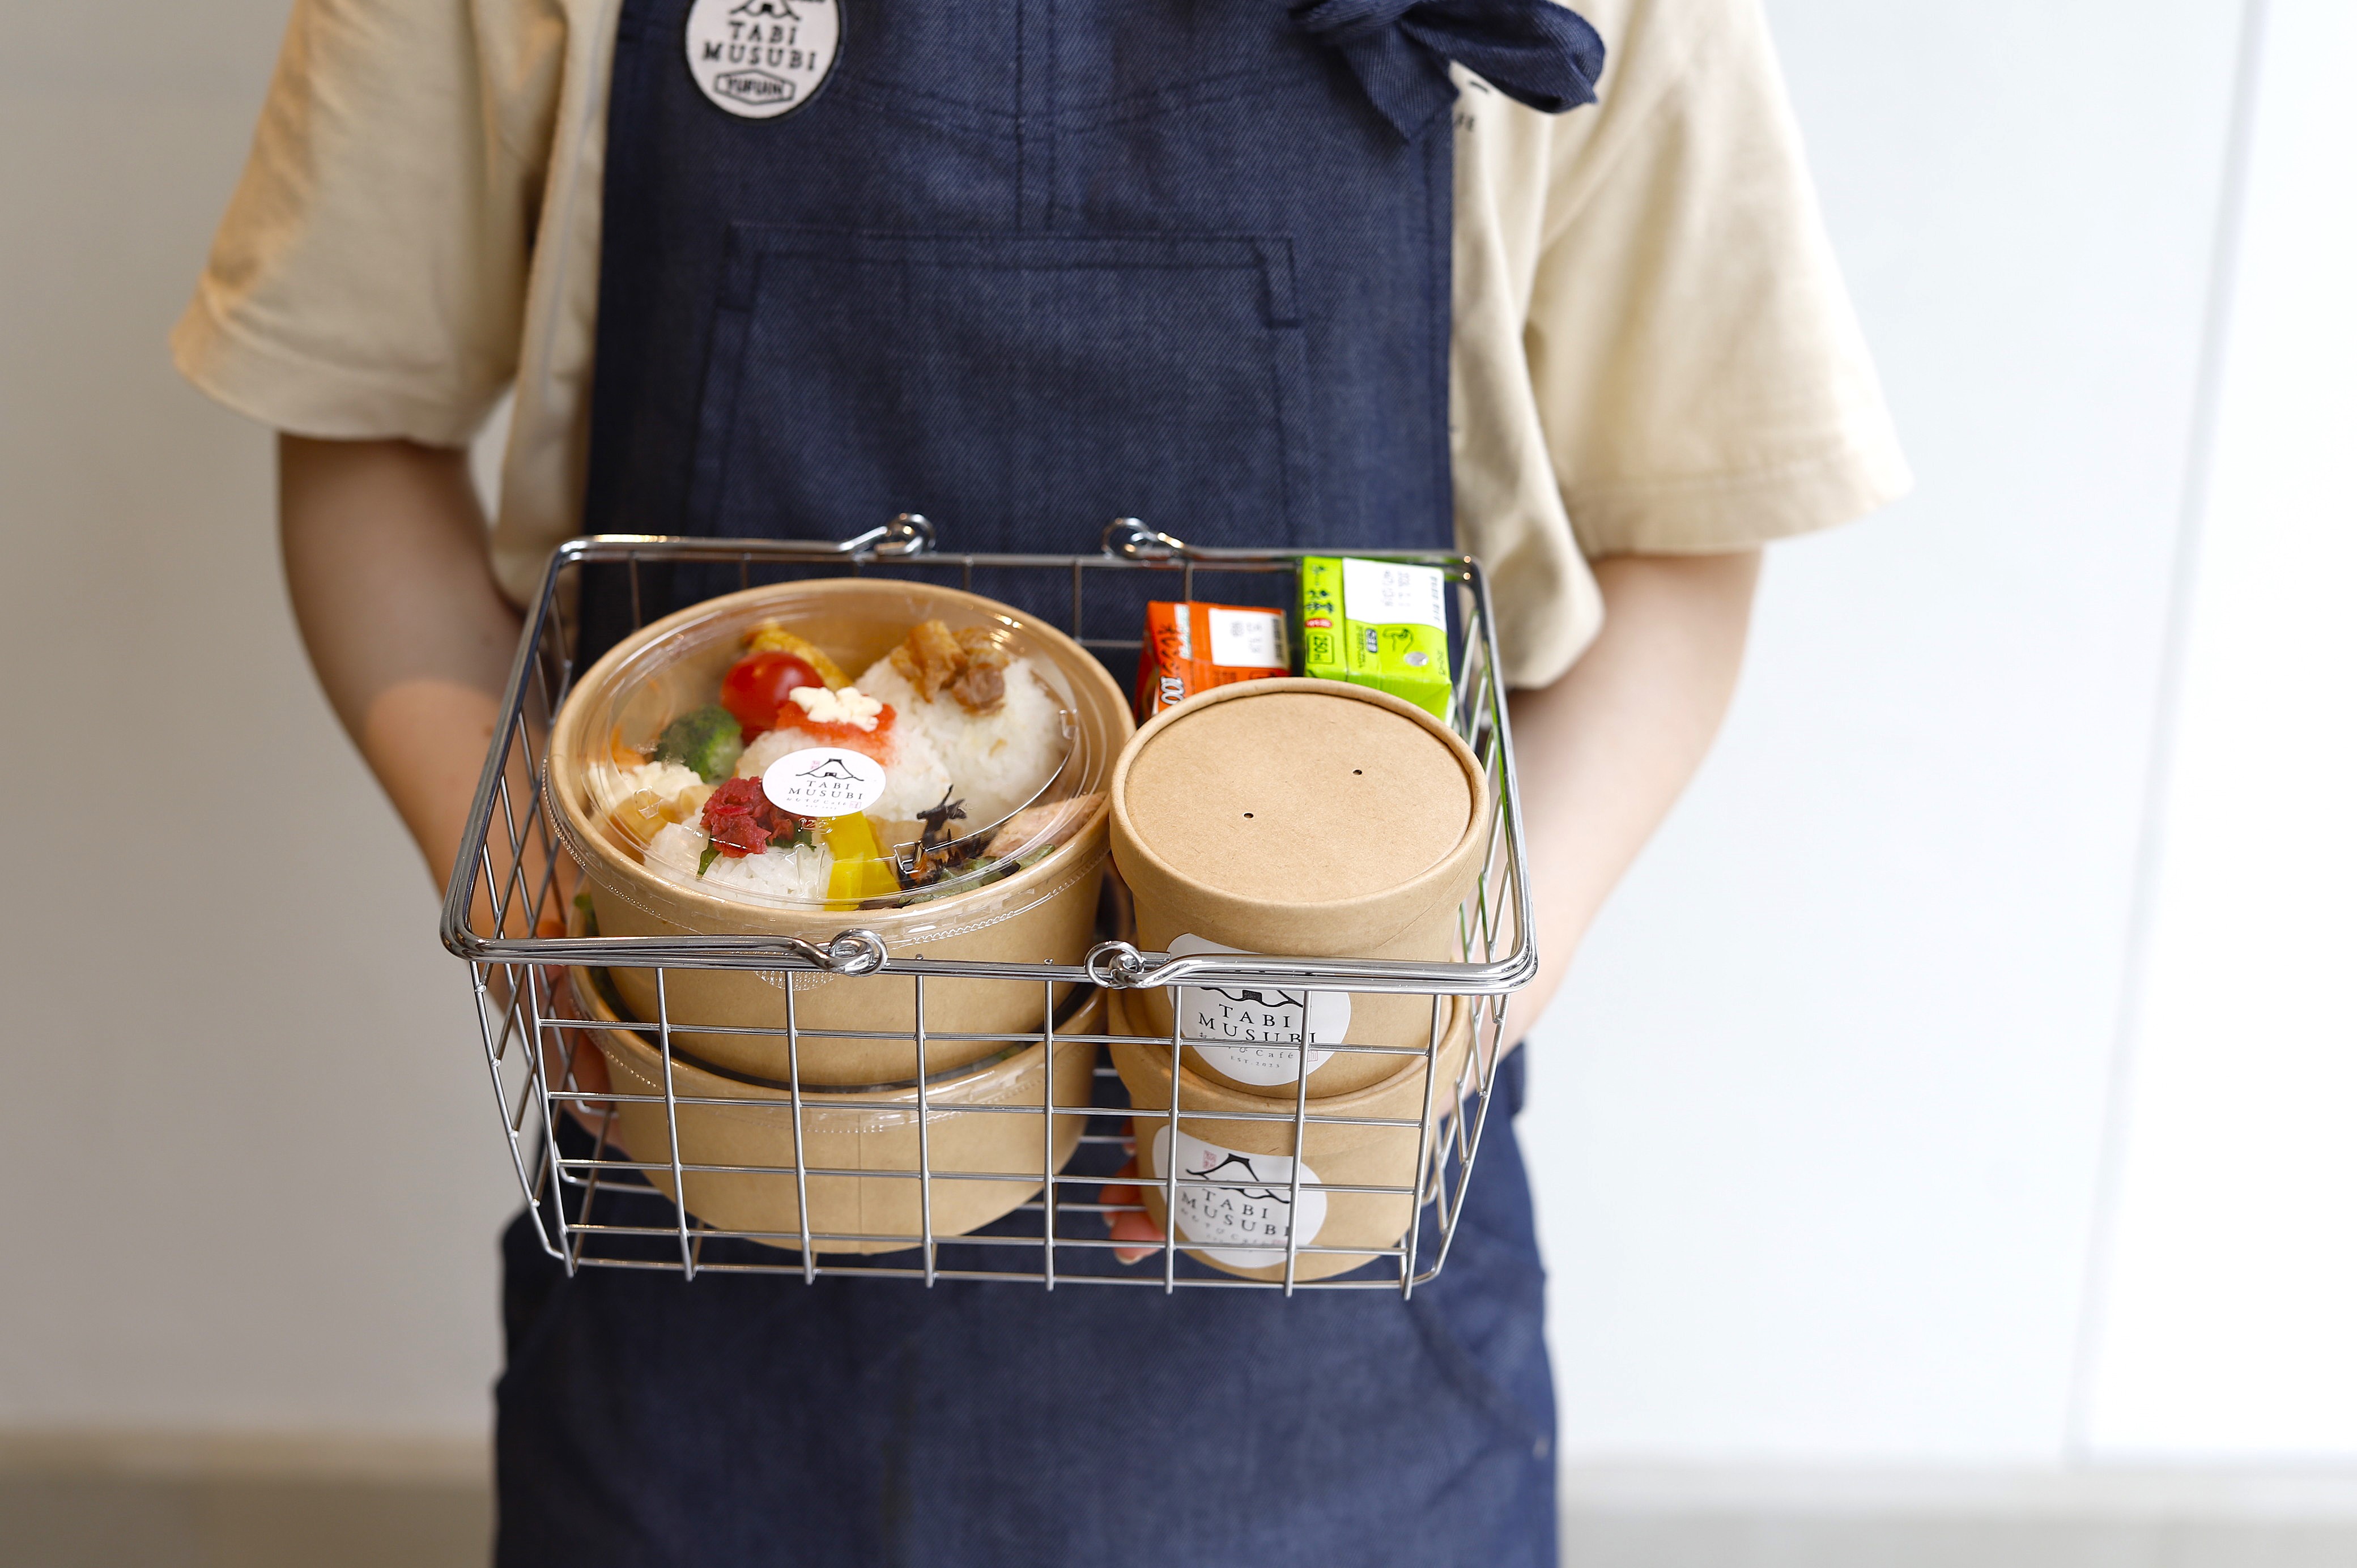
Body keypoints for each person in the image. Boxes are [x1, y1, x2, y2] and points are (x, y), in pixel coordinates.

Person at [175, 0, 1907, 1560]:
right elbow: (359, 422)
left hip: (1323, 1253)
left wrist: (1486, 978)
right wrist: (511, 878)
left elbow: (1690, 527)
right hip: (705, 1203)